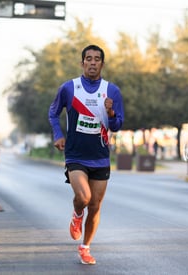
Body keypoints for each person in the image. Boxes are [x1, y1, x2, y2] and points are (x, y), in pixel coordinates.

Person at [48, 44, 124, 265]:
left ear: (102, 63)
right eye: (88, 59)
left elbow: (117, 125)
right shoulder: (69, 88)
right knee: (84, 197)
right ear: (82, 63)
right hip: (75, 155)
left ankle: (85, 247)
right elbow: (53, 112)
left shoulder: (112, 91)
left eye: (97, 59)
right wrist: (58, 135)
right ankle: (77, 214)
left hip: (100, 155)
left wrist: (110, 112)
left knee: (96, 206)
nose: (92, 62)